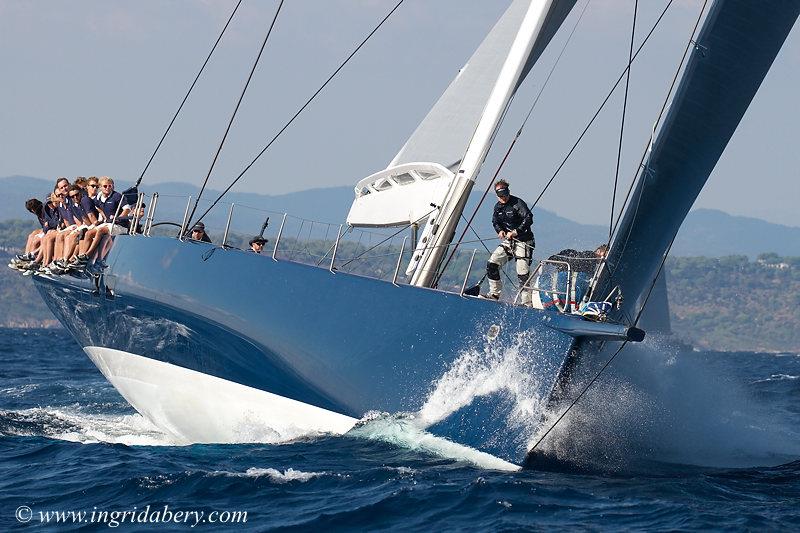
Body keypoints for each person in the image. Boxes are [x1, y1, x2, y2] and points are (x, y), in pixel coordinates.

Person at [485, 179, 535, 305]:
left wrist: (516, 231)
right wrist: (500, 231)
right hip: (509, 242)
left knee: (522, 273)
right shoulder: (497, 207)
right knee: (492, 263)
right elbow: (495, 222)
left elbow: (528, 218)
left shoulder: (517, 203)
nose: (504, 198)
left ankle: (527, 302)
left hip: (523, 241)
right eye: (501, 196)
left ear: (508, 192)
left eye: (505, 195)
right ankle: (494, 294)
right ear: (497, 195)